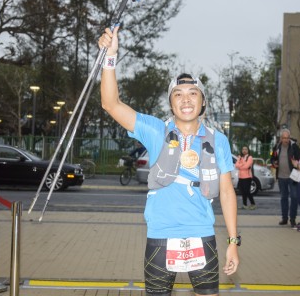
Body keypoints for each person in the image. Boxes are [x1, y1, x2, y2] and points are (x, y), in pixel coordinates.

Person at [98, 27, 239, 295]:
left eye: (193, 93)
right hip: (160, 236)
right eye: (178, 94)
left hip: (202, 235)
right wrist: (110, 57)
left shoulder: (218, 139)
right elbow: (111, 104)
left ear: (203, 102)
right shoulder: (155, 130)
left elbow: (226, 192)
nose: (186, 99)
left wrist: (233, 242)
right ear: (171, 103)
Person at [270, 129, 300, 227]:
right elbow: (272, 158)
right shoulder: (277, 147)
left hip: (293, 176)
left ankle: (292, 219)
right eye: (284, 138)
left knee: (294, 197)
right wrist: (274, 163)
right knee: (283, 197)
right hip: (281, 176)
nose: (286, 140)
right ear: (281, 138)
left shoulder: (294, 147)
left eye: (287, 138)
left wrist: (296, 163)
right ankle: (284, 218)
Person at [235, 145, 255, 210]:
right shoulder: (240, 157)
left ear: (248, 150)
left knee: (247, 191)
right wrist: (242, 164)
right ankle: (244, 205)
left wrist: (240, 165)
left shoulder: (250, 157)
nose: (244, 150)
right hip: (241, 177)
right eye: (243, 149)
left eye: (246, 149)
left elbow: (246, 167)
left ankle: (253, 204)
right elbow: (236, 165)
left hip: (247, 177)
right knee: (243, 191)